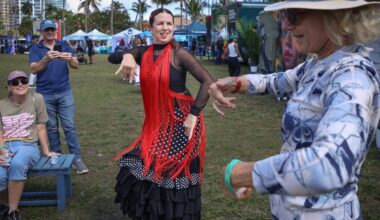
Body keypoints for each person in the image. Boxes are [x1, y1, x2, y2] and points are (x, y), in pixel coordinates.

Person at [208, 0, 380, 219]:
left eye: (295, 15)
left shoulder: (351, 77)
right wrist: (236, 83)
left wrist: (240, 173)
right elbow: (275, 81)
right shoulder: (318, 63)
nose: (286, 25)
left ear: (338, 16)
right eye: (284, 15)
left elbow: (331, 163)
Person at [108, 8, 214, 219]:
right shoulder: (143, 52)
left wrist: (193, 114)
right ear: (150, 27)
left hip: (182, 122)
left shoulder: (179, 54)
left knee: (171, 174)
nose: (165, 28)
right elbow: (113, 57)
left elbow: (208, 81)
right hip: (156, 124)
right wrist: (128, 54)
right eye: (160, 24)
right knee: (142, 167)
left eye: (169, 24)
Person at [28, 19, 89, 174]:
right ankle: (56, 155)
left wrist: (70, 58)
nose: (50, 32)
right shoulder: (36, 48)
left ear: (56, 31)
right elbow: (34, 69)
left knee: (69, 126)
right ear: (40, 32)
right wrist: (46, 58)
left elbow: (76, 66)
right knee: (51, 127)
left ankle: (77, 159)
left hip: (64, 92)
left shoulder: (64, 45)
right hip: (45, 94)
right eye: (46, 30)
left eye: (52, 30)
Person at [0, 71, 59, 220]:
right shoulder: (1, 105)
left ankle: (13, 211)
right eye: (15, 82)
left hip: (28, 145)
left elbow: (41, 127)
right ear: (9, 87)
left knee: (18, 163)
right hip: (6, 146)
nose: (20, 84)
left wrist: (46, 151)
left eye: (23, 80)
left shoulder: (36, 99)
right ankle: (6, 204)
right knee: (0, 174)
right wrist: (1, 150)